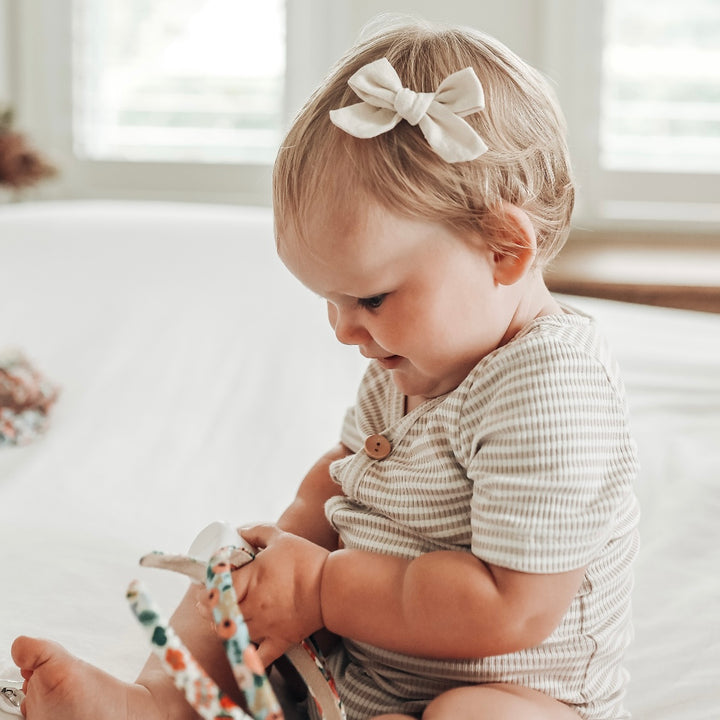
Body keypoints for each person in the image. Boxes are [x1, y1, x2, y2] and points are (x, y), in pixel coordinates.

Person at [11, 16, 640, 720]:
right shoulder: (409, 358)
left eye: (370, 298)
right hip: (355, 671)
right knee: (230, 565)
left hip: (516, 694)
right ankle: (155, 704)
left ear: (503, 249)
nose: (343, 330)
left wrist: (321, 589)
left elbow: (510, 609)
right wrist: (284, 562)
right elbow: (343, 475)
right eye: (331, 302)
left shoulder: (551, 389)